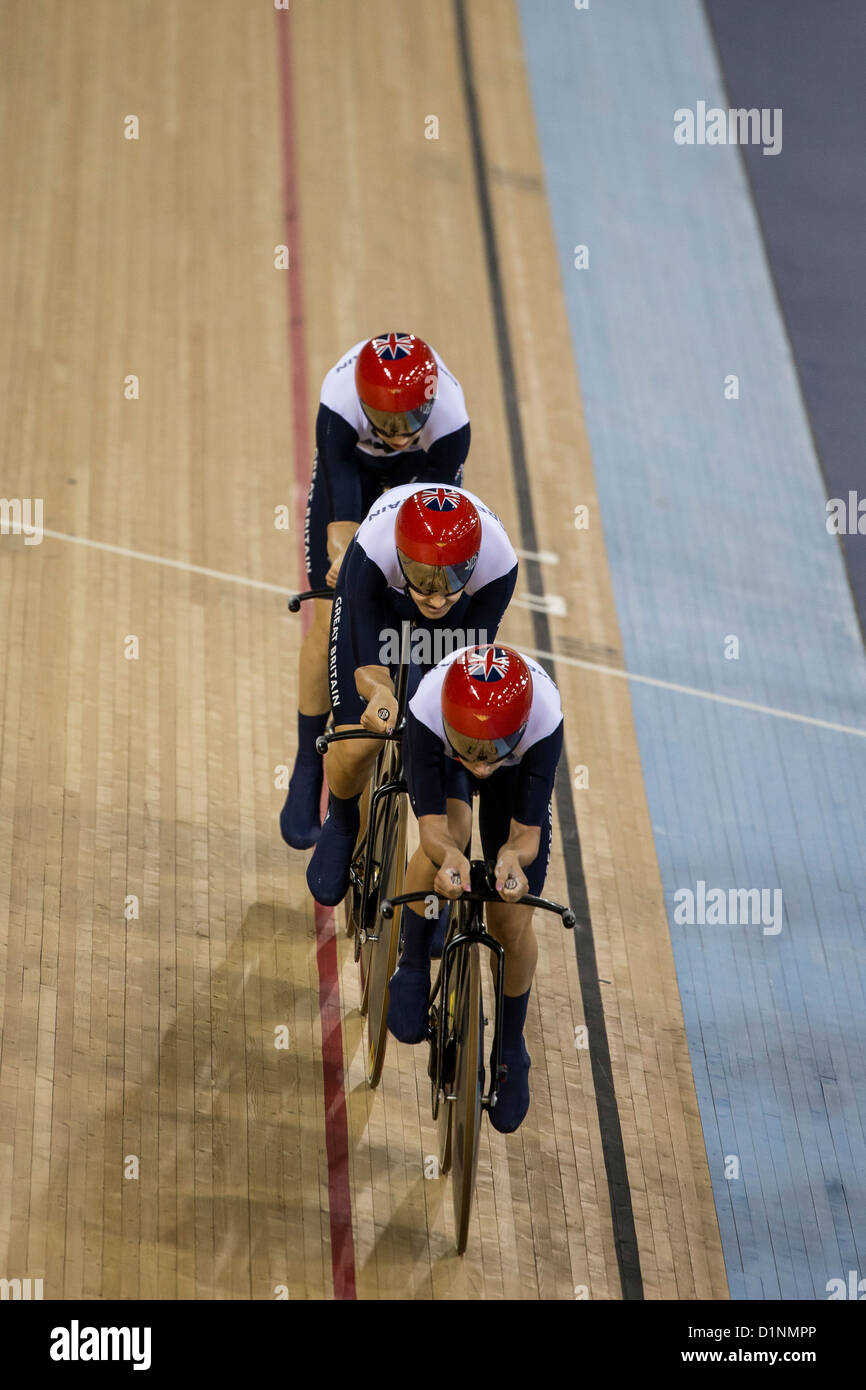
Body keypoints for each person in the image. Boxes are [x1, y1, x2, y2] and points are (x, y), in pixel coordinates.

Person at [281, 333, 471, 849]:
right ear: (364, 404)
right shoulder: (339, 403)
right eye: (384, 424)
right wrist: (349, 568)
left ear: (428, 409)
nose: (395, 436)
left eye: (407, 424)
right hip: (355, 479)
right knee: (331, 615)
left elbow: (432, 531)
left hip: (420, 490)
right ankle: (307, 766)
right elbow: (342, 524)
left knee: (425, 591)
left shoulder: (450, 424)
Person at [304, 484, 519, 907]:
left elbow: (460, 668)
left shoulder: (498, 567)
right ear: (403, 558)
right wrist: (380, 694)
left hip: (459, 622)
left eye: (450, 583)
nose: (436, 597)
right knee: (359, 740)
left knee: (452, 720)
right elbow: (368, 664)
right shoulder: (373, 551)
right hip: (382, 597)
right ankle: (343, 820)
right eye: (424, 583)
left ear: (473, 565)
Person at [391, 643, 564, 1134]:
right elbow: (431, 830)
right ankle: (412, 962)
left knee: (509, 919)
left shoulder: (544, 719)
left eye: (496, 748)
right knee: (453, 836)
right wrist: (449, 857)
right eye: (477, 752)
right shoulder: (427, 711)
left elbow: (525, 836)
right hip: (448, 757)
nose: (483, 764)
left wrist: (511, 860)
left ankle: (510, 1043)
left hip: (517, 769)